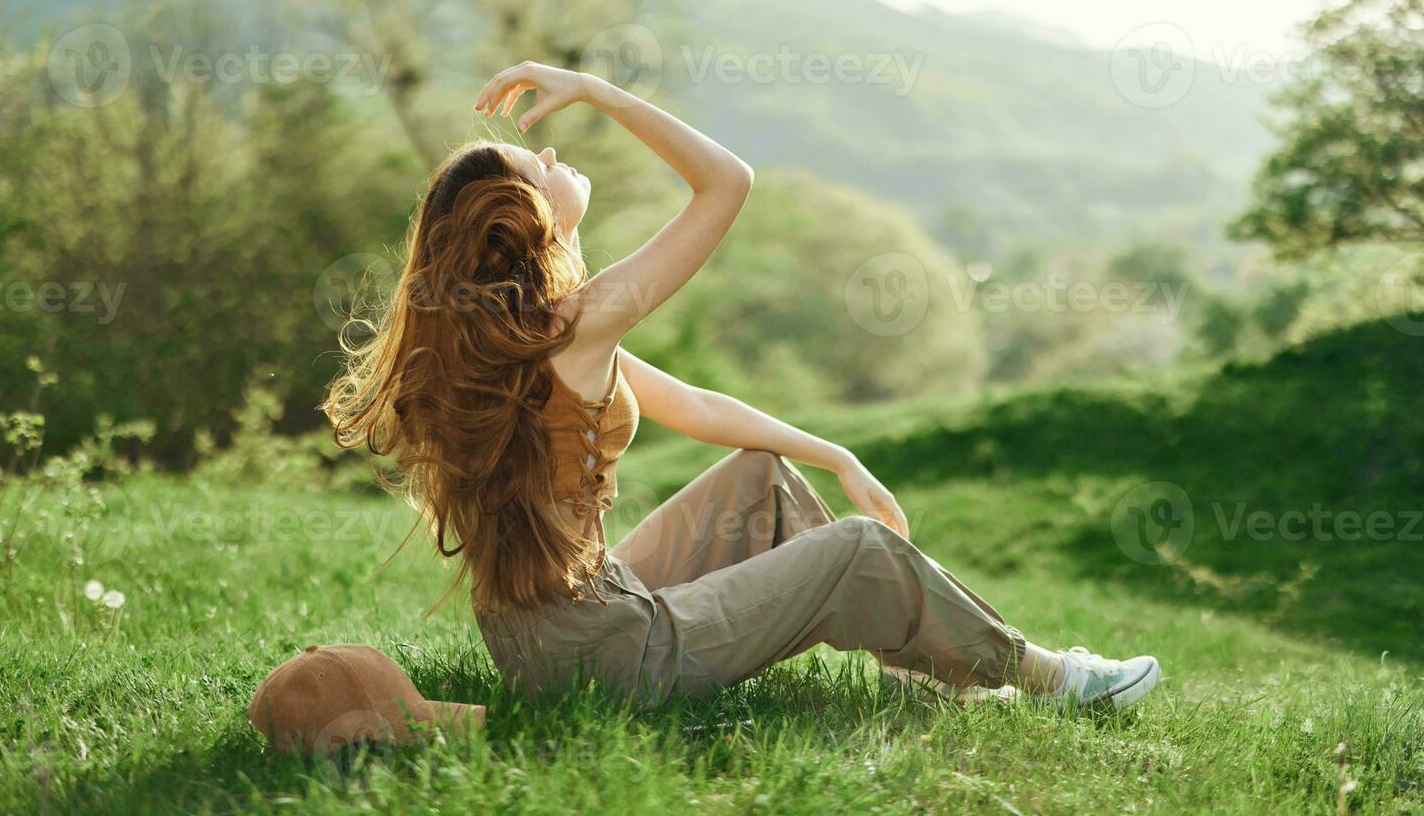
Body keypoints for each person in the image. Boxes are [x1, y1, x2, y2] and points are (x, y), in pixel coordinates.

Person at [325, 61, 1161, 713]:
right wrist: (593, 90)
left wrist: (835, 454)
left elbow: (691, 406)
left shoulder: (514, 340)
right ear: (525, 217)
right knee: (858, 549)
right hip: (611, 654)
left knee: (761, 481)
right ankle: (1051, 677)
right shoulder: (576, 327)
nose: (551, 153)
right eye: (535, 164)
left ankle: (935, 664)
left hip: (551, 641)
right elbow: (728, 182)